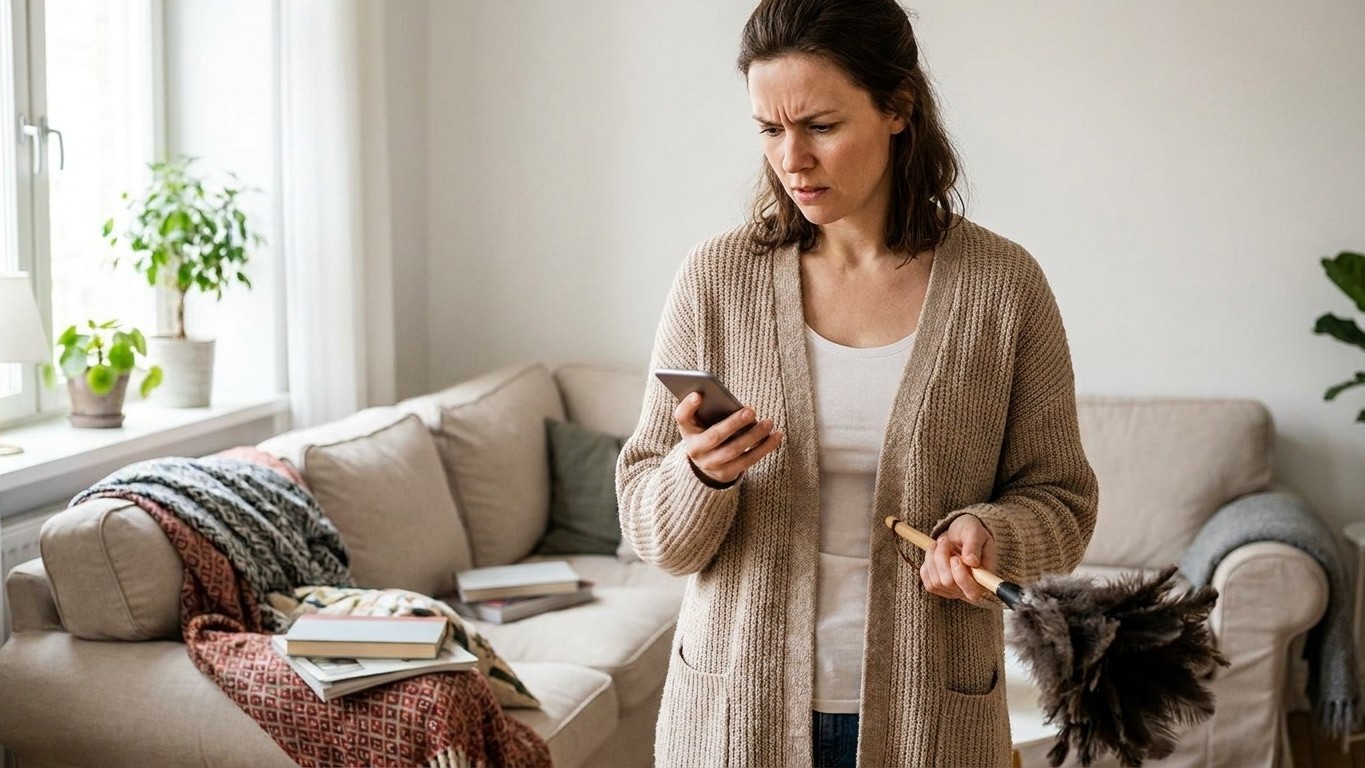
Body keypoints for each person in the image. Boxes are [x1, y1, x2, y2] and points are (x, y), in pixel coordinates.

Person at [616, 0, 1098, 765]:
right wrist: (699, 476)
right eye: (769, 130)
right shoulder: (717, 280)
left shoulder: (1002, 287)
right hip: (735, 715)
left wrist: (991, 531)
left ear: (898, 108)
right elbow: (650, 526)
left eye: (820, 126)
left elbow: (1063, 503)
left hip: (932, 717)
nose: (791, 159)